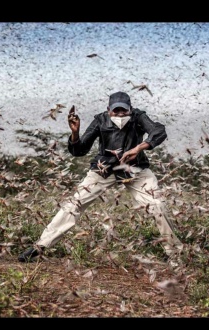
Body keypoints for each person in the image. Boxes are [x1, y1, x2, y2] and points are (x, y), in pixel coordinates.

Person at [18, 91, 183, 263]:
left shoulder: (138, 117)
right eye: (115, 111)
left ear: (130, 109)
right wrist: (75, 133)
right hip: (104, 169)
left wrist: (138, 148)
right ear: (108, 110)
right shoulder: (100, 120)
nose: (120, 115)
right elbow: (79, 150)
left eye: (123, 111)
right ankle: (40, 246)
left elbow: (159, 130)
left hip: (135, 168)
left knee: (156, 205)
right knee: (74, 204)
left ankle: (175, 254)